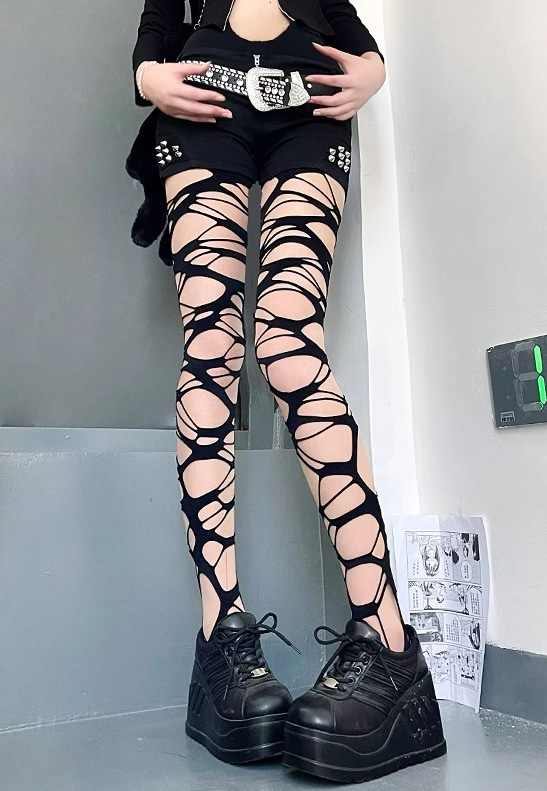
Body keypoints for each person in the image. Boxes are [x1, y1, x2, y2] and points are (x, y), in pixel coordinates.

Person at [127, 0, 446, 782]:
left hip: (307, 108)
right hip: (203, 107)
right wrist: (147, 77)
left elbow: (352, 34)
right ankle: (221, 639)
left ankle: (389, 642)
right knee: (211, 344)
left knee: (286, 340)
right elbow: (153, 30)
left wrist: (373, 72)